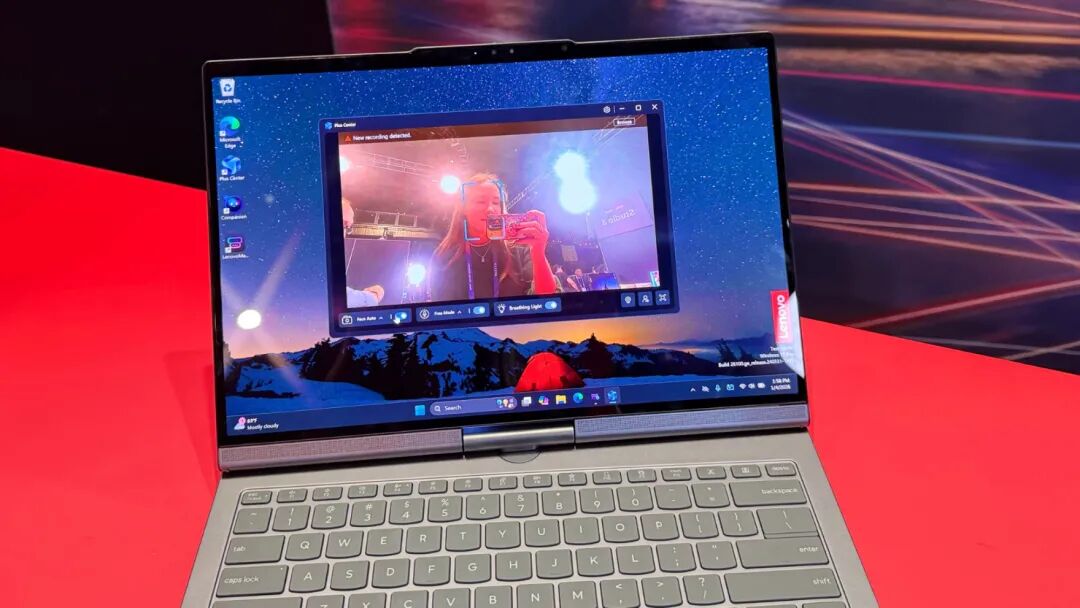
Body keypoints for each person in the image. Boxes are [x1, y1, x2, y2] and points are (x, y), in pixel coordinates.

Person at [430, 173, 557, 300]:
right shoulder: (445, 255)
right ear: (463, 209)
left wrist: (538, 251)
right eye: (481, 201)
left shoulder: (519, 247)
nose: (490, 209)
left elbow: (546, 298)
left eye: (496, 202)